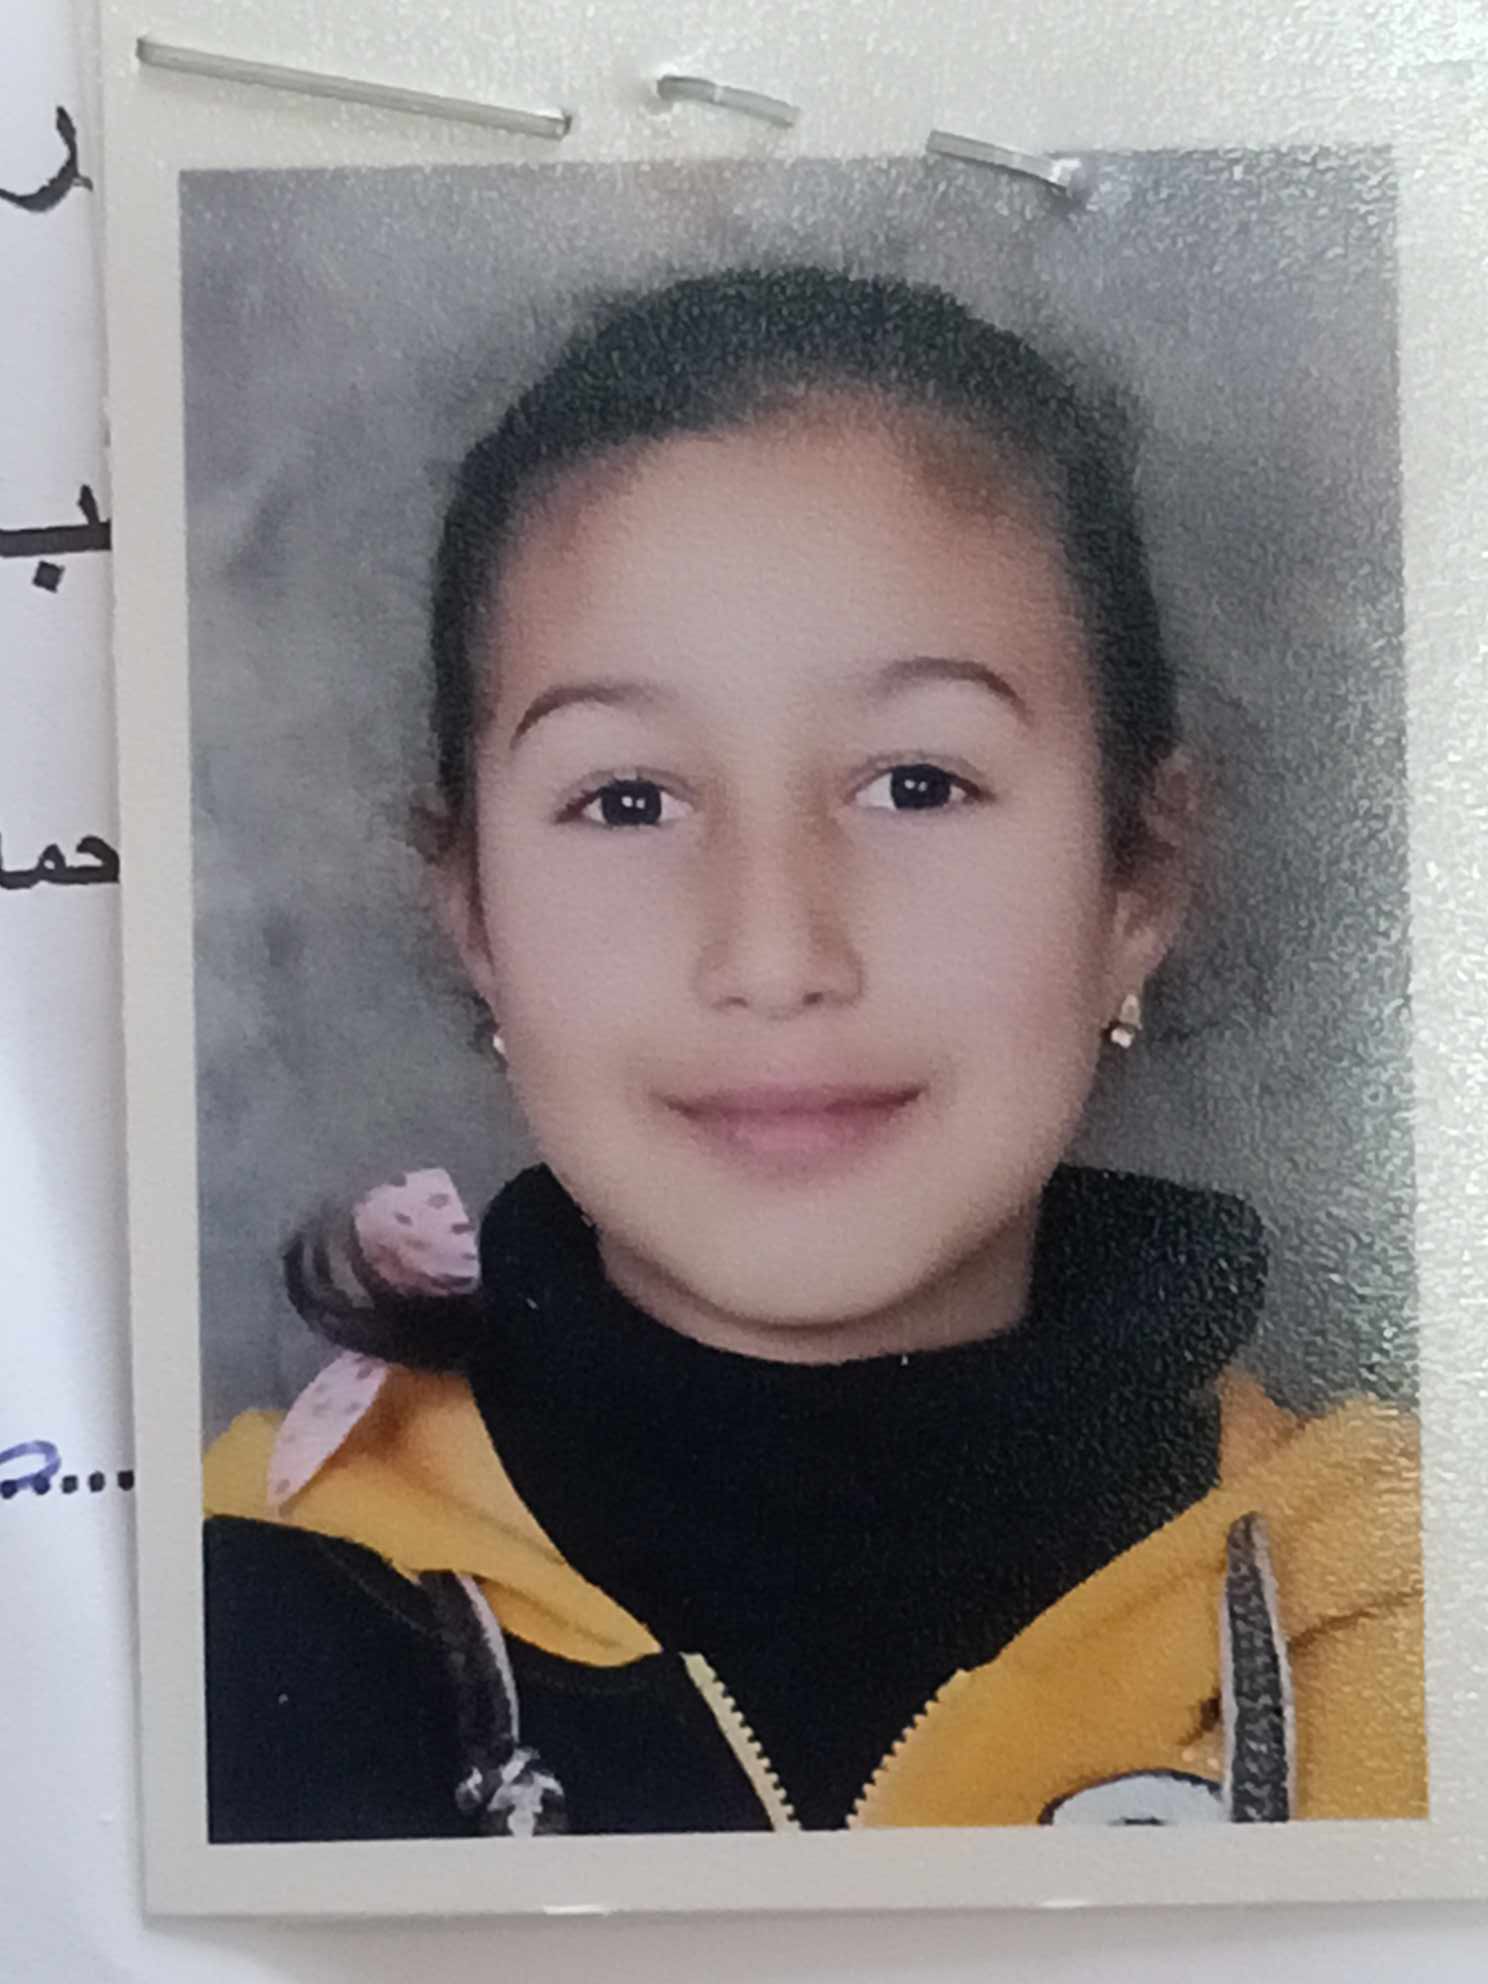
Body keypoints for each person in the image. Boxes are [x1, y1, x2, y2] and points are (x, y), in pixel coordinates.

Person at [201, 265, 1424, 1841]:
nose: (775, 956)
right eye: (627, 800)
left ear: (1140, 880)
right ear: (475, 917)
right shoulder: (228, 1604)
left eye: (918, 784)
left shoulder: (1415, 1621)